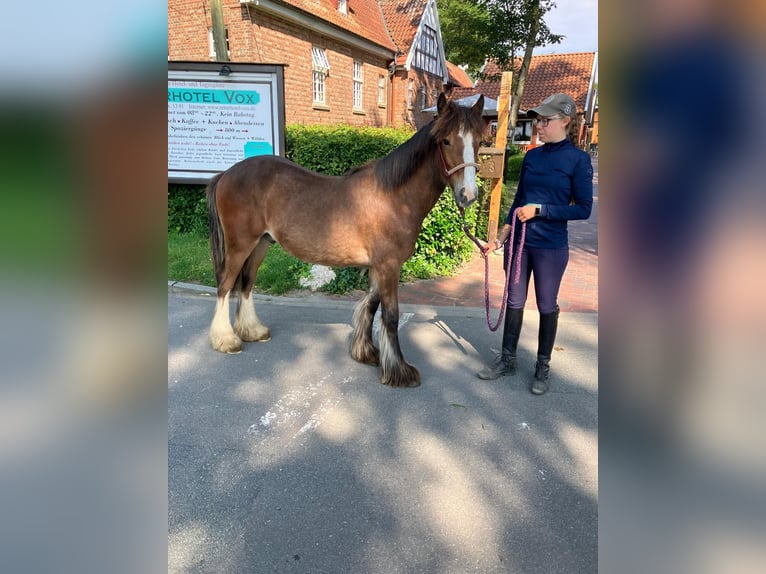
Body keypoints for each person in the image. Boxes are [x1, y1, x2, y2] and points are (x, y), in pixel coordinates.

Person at [477, 93, 593, 394]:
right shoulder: (531, 156)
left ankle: (542, 366)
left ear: (565, 121)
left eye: (545, 120)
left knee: (545, 305)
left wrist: (541, 211)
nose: (539, 126)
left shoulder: (578, 160)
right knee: (513, 301)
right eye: (538, 120)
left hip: (550, 246)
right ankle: (507, 359)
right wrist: (501, 237)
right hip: (519, 243)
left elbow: (583, 209)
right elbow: (518, 200)